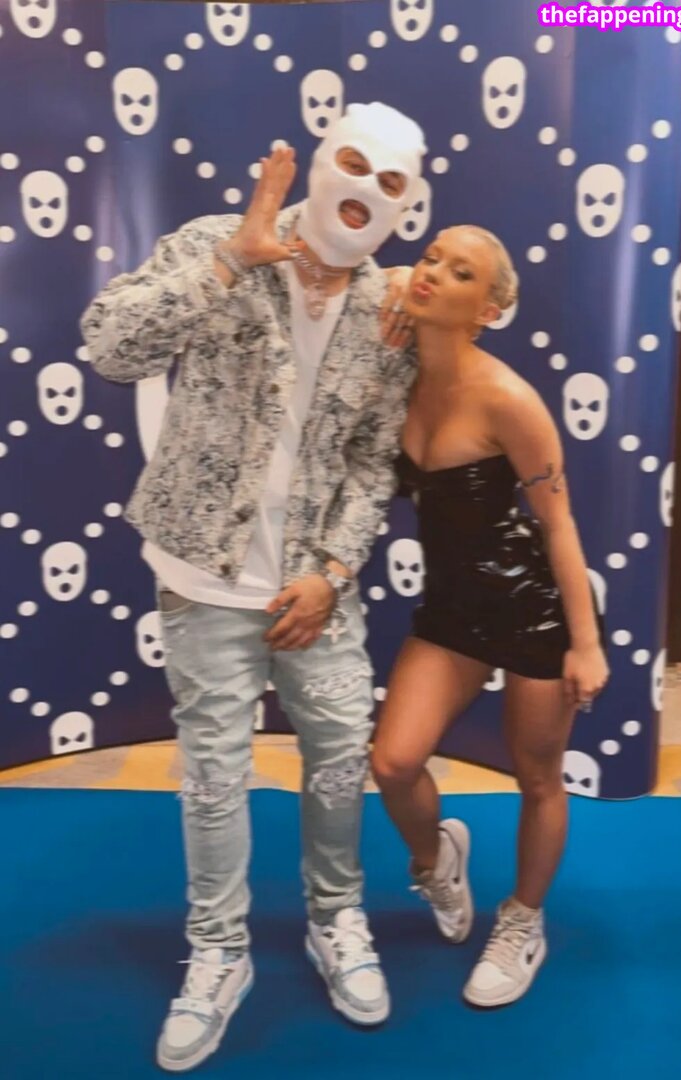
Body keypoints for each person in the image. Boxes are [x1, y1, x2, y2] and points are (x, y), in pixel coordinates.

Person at [81, 102, 426, 1072]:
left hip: (317, 589)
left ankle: (336, 918)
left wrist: (333, 571)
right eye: (353, 164)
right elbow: (109, 345)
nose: (365, 190)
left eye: (390, 182)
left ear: (407, 202)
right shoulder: (219, 243)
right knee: (213, 776)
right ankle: (218, 952)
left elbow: (374, 462)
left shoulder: (389, 310)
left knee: (337, 763)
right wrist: (232, 258)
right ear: (316, 164)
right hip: (204, 576)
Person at [371, 225, 610, 1009]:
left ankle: (522, 921)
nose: (433, 273)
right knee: (393, 764)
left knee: (537, 778)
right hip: (450, 610)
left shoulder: (509, 398)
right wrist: (390, 285)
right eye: (431, 257)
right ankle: (436, 859)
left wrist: (586, 644)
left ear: (490, 309)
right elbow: (352, 280)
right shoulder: (394, 372)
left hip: (531, 608)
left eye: (461, 271)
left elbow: (558, 523)